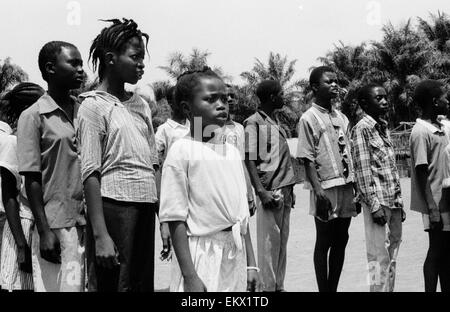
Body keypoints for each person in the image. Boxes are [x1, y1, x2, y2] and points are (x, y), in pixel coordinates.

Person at [159, 67, 261, 292]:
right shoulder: (181, 152)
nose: (221, 104)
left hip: (235, 252)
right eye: (210, 99)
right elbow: (175, 218)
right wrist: (190, 276)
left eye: (224, 98)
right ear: (187, 108)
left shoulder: (231, 151)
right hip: (201, 255)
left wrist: (252, 264)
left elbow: (241, 220)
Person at [77, 18, 158, 292]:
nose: (141, 64)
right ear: (110, 58)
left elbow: (153, 162)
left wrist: (164, 220)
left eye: (142, 57)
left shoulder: (141, 106)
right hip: (114, 209)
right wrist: (100, 235)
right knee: (113, 286)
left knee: (140, 285)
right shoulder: (93, 107)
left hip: (145, 207)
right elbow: (90, 173)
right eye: (134, 57)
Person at [17, 41, 86, 292]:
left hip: (86, 222)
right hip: (58, 226)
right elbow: (31, 177)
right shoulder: (33, 116)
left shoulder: (84, 111)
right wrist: (44, 230)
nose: (81, 69)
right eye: (73, 63)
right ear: (50, 69)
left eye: (81, 63)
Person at [297, 66, 358, 292]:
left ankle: (333, 287)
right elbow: (307, 158)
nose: (335, 85)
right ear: (315, 87)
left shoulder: (341, 117)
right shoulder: (308, 118)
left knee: (342, 239)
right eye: (328, 82)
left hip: (346, 186)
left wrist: (356, 188)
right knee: (324, 241)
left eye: (336, 81)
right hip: (325, 187)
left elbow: (349, 152)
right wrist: (318, 190)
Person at [351, 83, 405, 292]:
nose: (384, 101)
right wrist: (374, 205)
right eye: (379, 98)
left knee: (392, 255)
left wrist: (399, 203)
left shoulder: (383, 127)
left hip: (393, 202)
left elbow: (390, 168)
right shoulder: (362, 129)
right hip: (378, 204)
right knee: (377, 256)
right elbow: (363, 171)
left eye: (385, 97)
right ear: (364, 103)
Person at [244, 80, 296, 292]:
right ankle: (267, 289)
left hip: (285, 189)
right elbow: (249, 159)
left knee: (281, 244)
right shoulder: (253, 123)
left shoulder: (275, 122)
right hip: (270, 190)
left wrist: (290, 189)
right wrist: (261, 191)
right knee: (268, 246)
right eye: (281, 93)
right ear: (272, 97)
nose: (285, 97)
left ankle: (278, 286)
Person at [0, 83, 45, 291]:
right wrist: (20, 244)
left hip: (44, 226)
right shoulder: (13, 143)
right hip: (23, 227)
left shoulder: (46, 141)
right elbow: (9, 196)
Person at [409, 79, 450, 292]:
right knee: (435, 251)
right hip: (435, 202)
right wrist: (432, 208)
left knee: (445, 252)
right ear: (435, 101)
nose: (447, 100)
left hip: (446, 200)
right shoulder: (420, 132)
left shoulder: (440, 127)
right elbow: (420, 172)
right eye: (444, 97)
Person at [155, 86, 190, 261]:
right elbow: (157, 169)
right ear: (171, 102)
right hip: (176, 196)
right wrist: (163, 219)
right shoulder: (164, 131)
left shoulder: (197, 127)